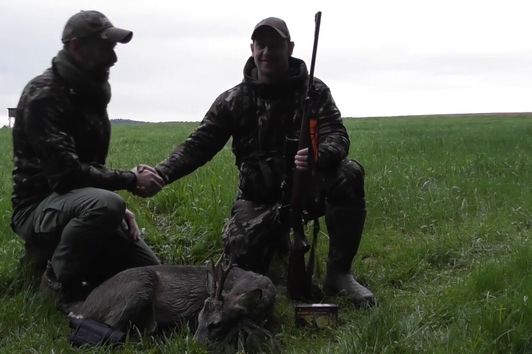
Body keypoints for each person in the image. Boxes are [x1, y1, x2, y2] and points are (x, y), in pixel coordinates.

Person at [154, 17, 375, 306]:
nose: (267, 52)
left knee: (349, 173)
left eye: (276, 45)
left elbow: (336, 133)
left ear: (290, 48)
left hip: (307, 185)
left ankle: (339, 274)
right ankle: (277, 240)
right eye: (261, 45)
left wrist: (319, 157)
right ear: (252, 48)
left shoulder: (315, 91)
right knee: (242, 270)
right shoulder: (233, 100)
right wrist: (160, 174)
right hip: (257, 198)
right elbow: (198, 146)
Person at [11, 10, 163, 305]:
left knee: (151, 272)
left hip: (74, 202)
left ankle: (74, 263)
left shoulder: (89, 92)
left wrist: (111, 207)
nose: (113, 58)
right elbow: (66, 176)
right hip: (36, 208)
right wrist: (128, 182)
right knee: (107, 205)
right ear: (77, 47)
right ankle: (55, 286)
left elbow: (87, 173)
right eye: (106, 47)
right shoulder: (44, 95)